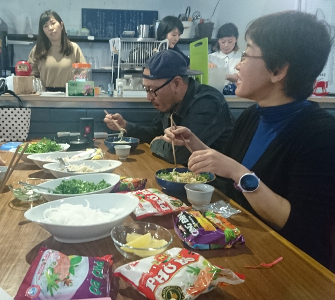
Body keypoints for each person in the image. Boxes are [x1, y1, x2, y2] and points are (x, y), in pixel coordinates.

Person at [163, 11, 335, 268]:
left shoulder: (320, 134)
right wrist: (193, 142)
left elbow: (300, 224)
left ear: (278, 70)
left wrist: (236, 171)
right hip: (241, 245)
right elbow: (229, 174)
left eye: (247, 54)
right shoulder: (253, 115)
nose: (237, 65)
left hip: (288, 266)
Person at [104, 50, 234, 164]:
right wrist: (125, 125)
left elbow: (178, 153)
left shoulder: (208, 103)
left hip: (216, 186)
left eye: (152, 90)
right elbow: (156, 132)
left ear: (177, 83)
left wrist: (156, 143)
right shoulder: (172, 102)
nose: (149, 97)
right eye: (146, 89)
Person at [28, 10, 86, 90]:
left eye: (53, 23)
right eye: (45, 26)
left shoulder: (74, 48)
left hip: (70, 96)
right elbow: (31, 75)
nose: (50, 28)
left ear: (61, 25)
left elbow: (83, 72)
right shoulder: (38, 49)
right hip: (45, 97)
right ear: (43, 31)